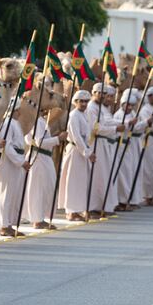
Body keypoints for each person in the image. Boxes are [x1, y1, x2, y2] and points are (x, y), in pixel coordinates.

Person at [0, 97, 29, 235]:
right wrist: (20, 161)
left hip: (15, 161)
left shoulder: (15, 123)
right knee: (6, 193)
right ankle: (4, 225)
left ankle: (8, 223)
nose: (20, 112)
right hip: (8, 162)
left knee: (13, 193)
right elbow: (7, 146)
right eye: (18, 109)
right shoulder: (8, 123)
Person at [25, 103, 65, 229]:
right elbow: (40, 142)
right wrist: (58, 139)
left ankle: (40, 217)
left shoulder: (41, 121)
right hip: (39, 157)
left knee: (45, 187)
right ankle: (37, 219)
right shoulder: (37, 121)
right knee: (38, 189)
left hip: (44, 157)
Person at [86, 84, 122, 217]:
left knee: (104, 175)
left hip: (103, 143)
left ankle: (104, 205)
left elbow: (106, 123)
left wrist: (117, 125)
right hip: (96, 143)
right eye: (99, 93)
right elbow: (95, 128)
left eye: (104, 93)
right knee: (97, 176)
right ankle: (93, 207)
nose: (102, 95)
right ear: (93, 93)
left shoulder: (100, 108)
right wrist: (115, 129)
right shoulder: (91, 108)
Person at [59, 90, 95, 221]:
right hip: (75, 151)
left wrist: (88, 150)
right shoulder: (74, 115)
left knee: (81, 181)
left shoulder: (84, 115)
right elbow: (76, 137)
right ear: (75, 102)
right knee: (73, 181)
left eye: (86, 101)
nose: (84, 104)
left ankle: (79, 209)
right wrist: (87, 153)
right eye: (81, 101)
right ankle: (71, 211)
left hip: (83, 151)